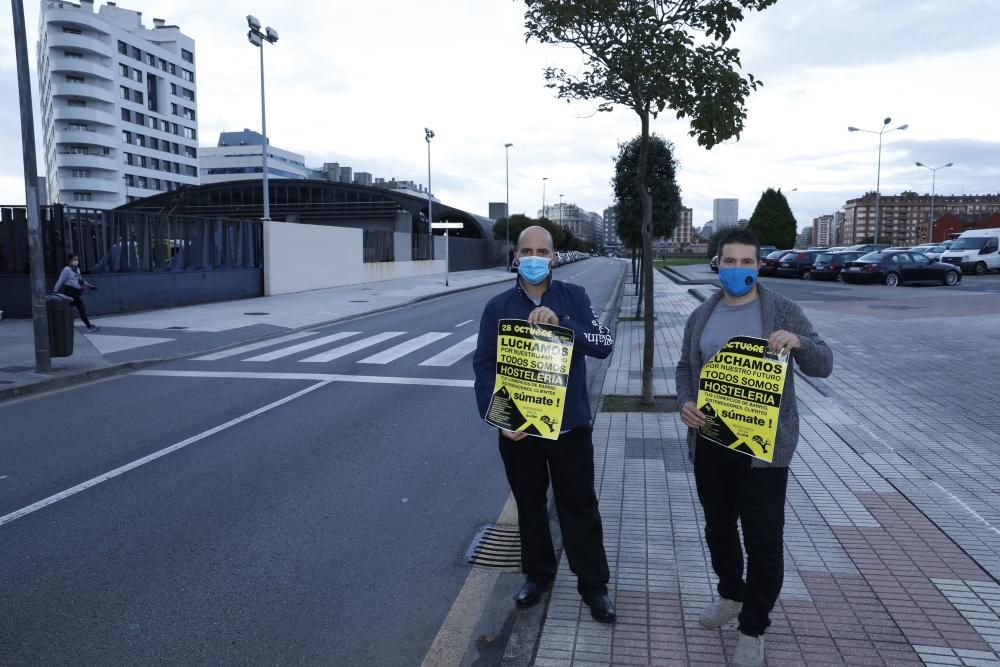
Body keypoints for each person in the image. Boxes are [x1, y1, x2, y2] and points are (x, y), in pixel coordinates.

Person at [675, 228, 833, 667]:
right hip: (711, 442)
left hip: (763, 451)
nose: (738, 270)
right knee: (718, 526)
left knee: (763, 539)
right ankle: (731, 593)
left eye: (747, 262)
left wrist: (799, 343)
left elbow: (824, 364)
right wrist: (685, 402)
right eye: (730, 261)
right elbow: (686, 367)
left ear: (759, 266)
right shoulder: (703, 313)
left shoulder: (781, 310)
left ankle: (753, 625)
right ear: (717, 264)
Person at [473, 226, 617, 623]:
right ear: (516, 258)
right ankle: (537, 575)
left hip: (569, 427)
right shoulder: (497, 306)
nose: (535, 257)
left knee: (579, 505)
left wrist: (563, 324)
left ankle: (594, 586)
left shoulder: (575, 297)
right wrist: (497, 417)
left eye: (543, 251)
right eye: (527, 251)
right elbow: (485, 367)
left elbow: (604, 344)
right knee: (529, 505)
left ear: (554, 258)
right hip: (519, 432)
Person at [54, 253, 100, 333]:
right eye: (74, 259)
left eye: (77, 259)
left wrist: (90, 286)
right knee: (81, 308)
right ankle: (89, 326)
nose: (76, 261)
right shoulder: (66, 270)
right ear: (70, 260)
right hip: (71, 293)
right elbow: (60, 280)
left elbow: (81, 280)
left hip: (77, 293)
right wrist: (55, 290)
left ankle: (60, 326)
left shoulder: (77, 269)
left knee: (67, 310)